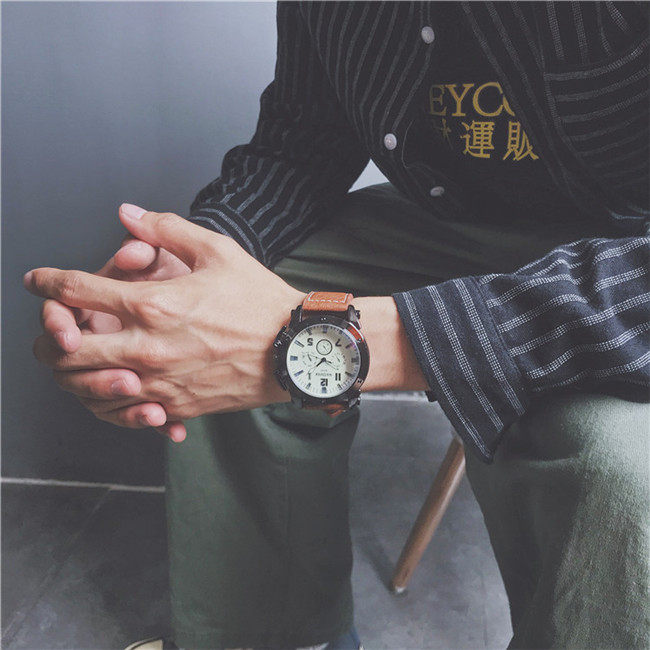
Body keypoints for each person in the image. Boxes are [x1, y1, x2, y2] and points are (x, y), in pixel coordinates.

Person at [25, 2, 649, 649]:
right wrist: (191, 261)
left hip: (625, 254)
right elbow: (302, 140)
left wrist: (343, 339)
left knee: (619, 470)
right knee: (206, 314)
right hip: (441, 224)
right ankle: (272, 637)